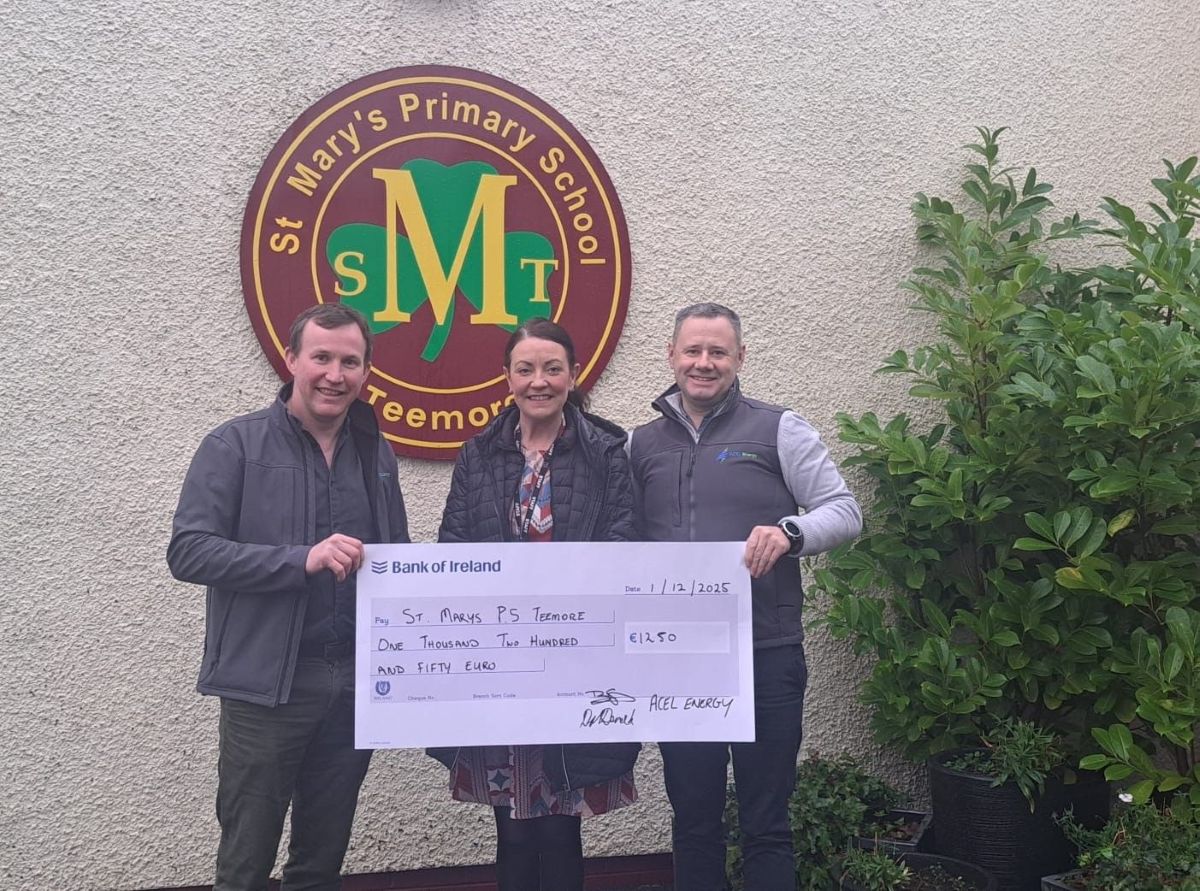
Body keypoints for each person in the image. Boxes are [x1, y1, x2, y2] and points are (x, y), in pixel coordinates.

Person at [167, 303, 410, 891]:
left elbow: (395, 555)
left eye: (350, 362)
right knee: (245, 862)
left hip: (351, 683)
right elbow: (189, 552)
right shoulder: (234, 445)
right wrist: (300, 559)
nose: (335, 375)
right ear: (291, 359)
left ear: (366, 371)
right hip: (267, 687)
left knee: (320, 863)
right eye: (321, 357)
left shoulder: (374, 452)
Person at [628, 302, 862, 890]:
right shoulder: (640, 445)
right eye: (693, 350)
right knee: (694, 822)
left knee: (767, 824)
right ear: (671, 355)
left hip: (766, 653)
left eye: (718, 352)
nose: (703, 363)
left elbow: (844, 510)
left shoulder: (779, 429)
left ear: (740, 358)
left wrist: (790, 533)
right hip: (681, 661)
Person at [429, 317, 640, 891]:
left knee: (561, 826)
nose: (538, 381)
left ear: (574, 374)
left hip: (576, 661)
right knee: (513, 829)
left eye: (552, 368)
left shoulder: (607, 451)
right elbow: (454, 548)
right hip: (501, 664)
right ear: (507, 377)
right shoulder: (478, 453)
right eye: (525, 369)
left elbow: (623, 544)